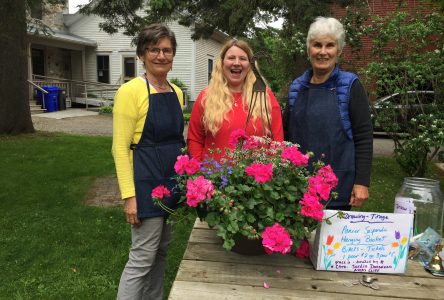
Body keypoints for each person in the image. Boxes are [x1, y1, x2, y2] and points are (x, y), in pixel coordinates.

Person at [111, 24, 184, 299]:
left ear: (173, 55)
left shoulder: (176, 93)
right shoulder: (130, 92)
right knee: (142, 258)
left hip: (171, 185)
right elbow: (119, 149)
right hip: (144, 185)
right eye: (154, 49)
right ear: (142, 54)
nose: (161, 56)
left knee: (161, 253)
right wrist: (129, 197)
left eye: (167, 50)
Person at [284, 17, 373, 210]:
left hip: (338, 190)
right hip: (298, 188)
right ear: (309, 50)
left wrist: (362, 182)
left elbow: (363, 137)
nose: (323, 52)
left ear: (339, 50)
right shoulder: (296, 87)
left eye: (330, 45)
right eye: (317, 45)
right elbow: (286, 136)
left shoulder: (350, 85)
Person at [187, 39, 284, 161]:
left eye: (243, 59)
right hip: (214, 177)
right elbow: (195, 139)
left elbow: (277, 142)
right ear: (221, 63)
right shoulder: (206, 97)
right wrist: (199, 172)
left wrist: (271, 173)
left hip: (256, 178)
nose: (237, 63)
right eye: (231, 58)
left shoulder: (265, 97)